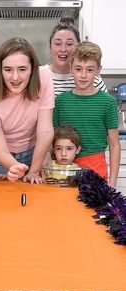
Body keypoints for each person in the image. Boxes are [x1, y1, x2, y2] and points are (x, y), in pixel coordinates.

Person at [0, 37, 54, 184]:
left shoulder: (44, 78)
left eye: (22, 69)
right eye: (8, 69)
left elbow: (45, 131)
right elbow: (1, 150)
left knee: (30, 202)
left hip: (32, 150)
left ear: (32, 69)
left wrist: (33, 171)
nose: (15, 77)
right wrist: (16, 168)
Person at [53, 41, 121, 186]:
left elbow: (114, 145)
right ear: (71, 68)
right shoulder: (60, 101)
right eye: (78, 69)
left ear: (98, 70)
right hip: (62, 170)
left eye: (90, 70)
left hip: (96, 169)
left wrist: (113, 183)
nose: (83, 75)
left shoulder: (108, 102)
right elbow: (49, 140)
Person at [48, 17, 107, 96]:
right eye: (58, 44)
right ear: (50, 47)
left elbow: (105, 105)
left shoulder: (94, 80)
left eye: (69, 44)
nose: (63, 49)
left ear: (78, 47)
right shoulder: (38, 76)